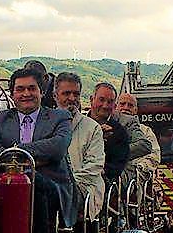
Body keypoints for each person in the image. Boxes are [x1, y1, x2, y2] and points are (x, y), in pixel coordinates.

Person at [0, 67, 73, 233]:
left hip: (50, 182)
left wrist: (16, 151)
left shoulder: (59, 116)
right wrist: (30, 157)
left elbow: (57, 148)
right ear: (12, 94)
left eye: (32, 88)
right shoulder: (0, 119)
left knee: (35, 186)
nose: (26, 94)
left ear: (41, 91)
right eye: (20, 89)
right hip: (7, 180)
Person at [54, 72, 105, 218]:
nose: (72, 98)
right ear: (55, 96)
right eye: (66, 93)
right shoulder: (44, 125)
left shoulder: (92, 128)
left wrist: (66, 185)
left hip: (84, 189)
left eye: (76, 94)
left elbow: (94, 166)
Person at [88, 83, 131, 184]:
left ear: (115, 106)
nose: (105, 106)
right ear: (91, 99)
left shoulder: (119, 133)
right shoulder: (78, 125)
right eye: (101, 100)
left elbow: (117, 166)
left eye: (110, 102)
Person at [116, 92, 161, 174]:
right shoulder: (107, 127)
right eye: (122, 104)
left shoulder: (146, 131)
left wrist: (139, 167)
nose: (126, 108)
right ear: (116, 107)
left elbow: (154, 156)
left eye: (130, 105)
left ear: (136, 110)